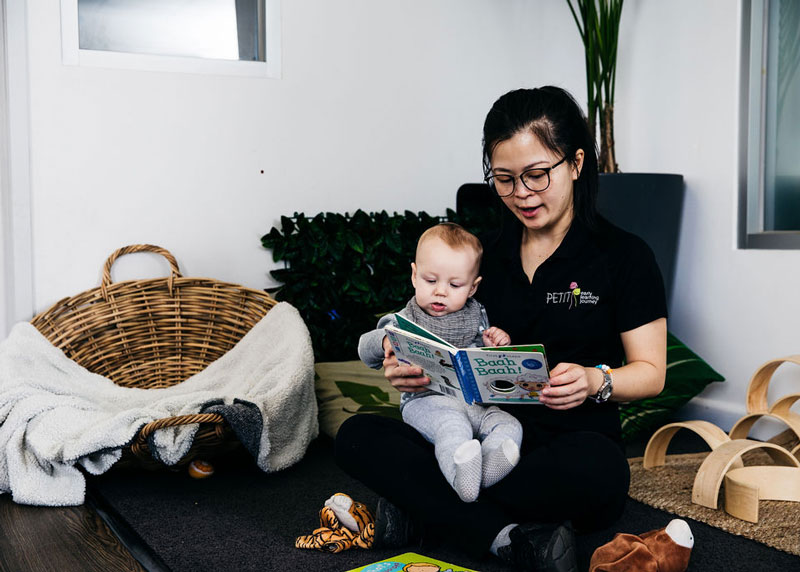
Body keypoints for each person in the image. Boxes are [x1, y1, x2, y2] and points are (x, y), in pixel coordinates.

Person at [335, 86, 667, 572]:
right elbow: (434, 332)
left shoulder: (624, 256)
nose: (521, 194)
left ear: (576, 163)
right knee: (357, 437)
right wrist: (407, 368)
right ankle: (507, 538)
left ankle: (433, 514)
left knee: (600, 473)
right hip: (471, 431)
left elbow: (652, 373)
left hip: (564, 446)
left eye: (536, 175)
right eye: (505, 179)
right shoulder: (480, 257)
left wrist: (597, 381)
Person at [358, 222, 522, 504]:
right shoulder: (405, 319)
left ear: (473, 287)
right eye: (430, 281)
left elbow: (487, 363)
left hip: (475, 404)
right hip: (426, 403)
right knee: (452, 426)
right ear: (414, 275)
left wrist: (496, 342)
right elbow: (364, 348)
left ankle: (485, 468)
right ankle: (463, 481)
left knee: (509, 425)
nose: (440, 292)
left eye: (455, 284)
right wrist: (386, 341)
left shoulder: (476, 316)